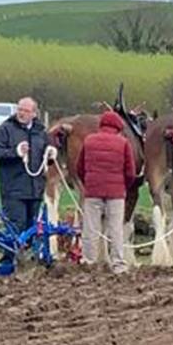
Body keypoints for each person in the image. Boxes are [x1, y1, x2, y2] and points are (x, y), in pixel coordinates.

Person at [0, 97, 53, 276]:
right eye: (20, 110)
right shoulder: (6, 130)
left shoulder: (40, 132)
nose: (21, 113)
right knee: (17, 226)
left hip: (36, 188)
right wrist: (14, 152)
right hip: (14, 188)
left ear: (34, 114)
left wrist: (51, 154)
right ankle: (10, 260)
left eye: (26, 110)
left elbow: (46, 152)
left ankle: (32, 260)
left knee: (33, 226)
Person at [75, 108, 139, 274]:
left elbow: (79, 168)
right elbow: (130, 172)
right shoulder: (123, 143)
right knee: (116, 229)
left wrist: (88, 183)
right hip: (116, 193)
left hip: (93, 192)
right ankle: (118, 263)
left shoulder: (89, 140)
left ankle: (89, 261)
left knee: (90, 229)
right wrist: (123, 185)